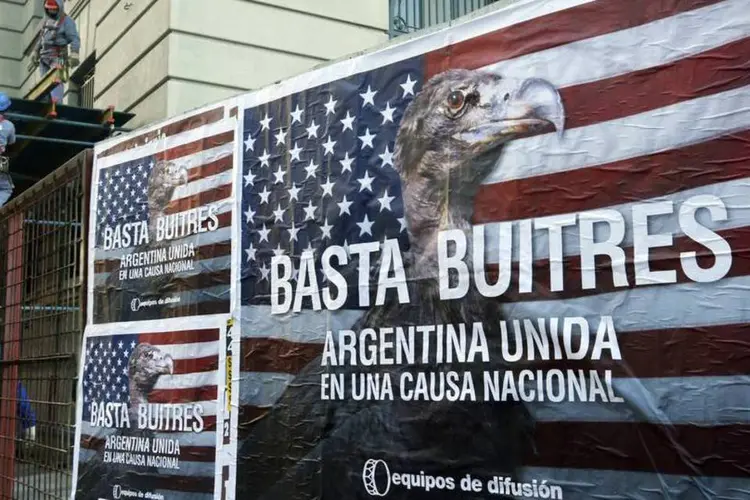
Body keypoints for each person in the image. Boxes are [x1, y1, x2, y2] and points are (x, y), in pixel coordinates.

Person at [32, 0, 80, 102]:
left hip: (57, 58)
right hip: (44, 58)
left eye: (53, 9)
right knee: (44, 86)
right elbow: (42, 38)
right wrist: (36, 51)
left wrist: (74, 53)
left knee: (56, 84)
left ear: (59, 7)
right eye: (49, 9)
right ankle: (46, 105)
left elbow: (74, 38)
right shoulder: (47, 21)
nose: (51, 11)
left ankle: (57, 105)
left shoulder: (67, 21)